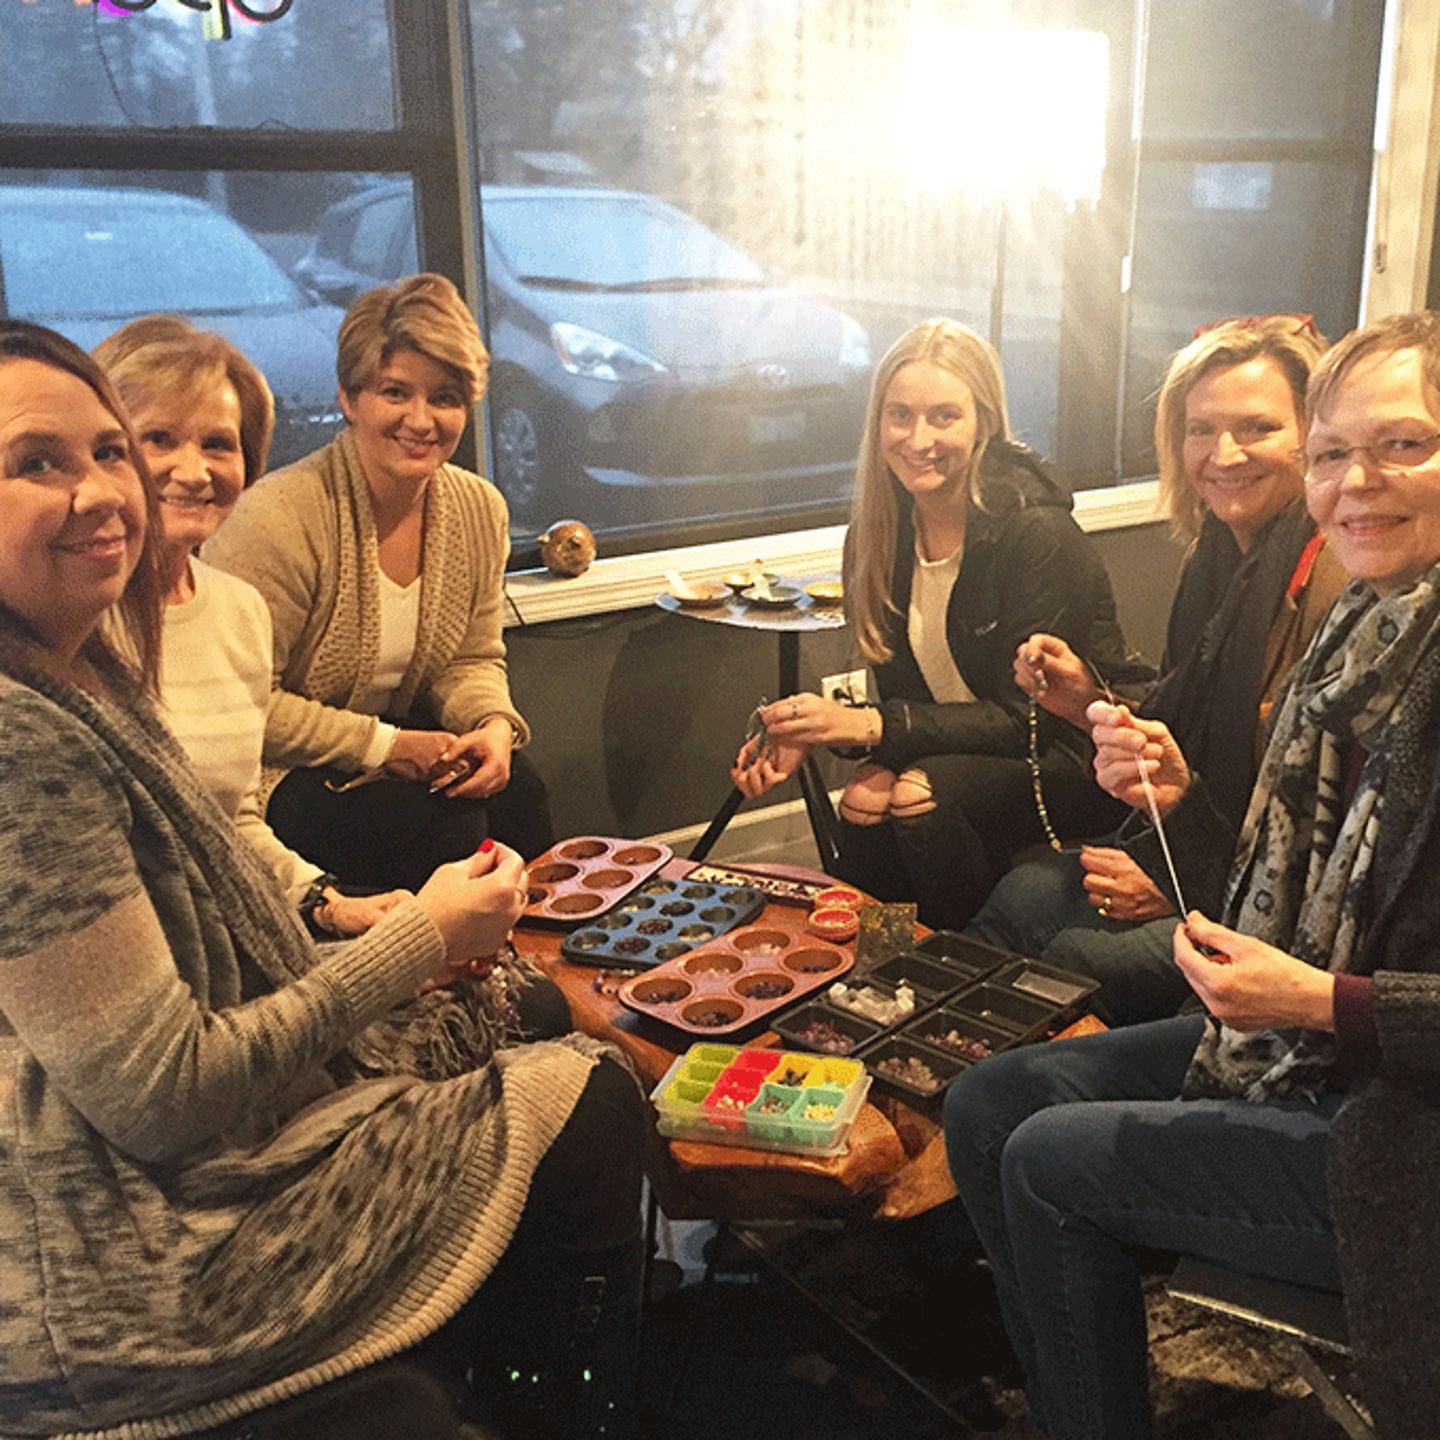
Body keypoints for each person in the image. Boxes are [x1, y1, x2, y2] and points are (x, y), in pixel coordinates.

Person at [0, 319, 642, 1438]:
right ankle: (552, 1400)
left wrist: (475, 734)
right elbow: (162, 1091)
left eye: (106, 451)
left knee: (523, 954)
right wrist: (410, 937)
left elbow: (232, 820)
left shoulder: (91, 656)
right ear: (347, 399)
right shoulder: (28, 736)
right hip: (130, 1240)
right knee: (591, 1095)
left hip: (220, 1015)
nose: (115, 489)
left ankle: (492, 1334)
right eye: (37, 462)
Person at [942, 310, 1440, 1440]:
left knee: (1053, 1162)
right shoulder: (1355, 641)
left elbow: (1333, 976)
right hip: (1315, 1059)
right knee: (992, 1100)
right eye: (1334, 454)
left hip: (1399, 1137)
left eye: (1403, 445)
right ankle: (1074, 1396)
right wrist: (1180, 807)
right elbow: (1273, 889)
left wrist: (1323, 1002)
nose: (1358, 481)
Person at [967, 315, 1347, 1024]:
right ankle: (917, 1066)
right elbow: (1179, 730)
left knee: (1071, 960)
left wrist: (1178, 879)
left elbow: (1299, 814)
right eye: (1201, 430)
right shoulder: (1216, 558)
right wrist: (1086, 700)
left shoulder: (1327, 574)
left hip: (1260, 901)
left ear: (1315, 436)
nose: (1223, 453)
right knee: (1020, 894)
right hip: (1189, 843)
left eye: (1257, 428)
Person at [731, 317, 1142, 930]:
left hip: (1065, 756)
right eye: (900, 415)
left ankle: (964, 969)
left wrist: (869, 724)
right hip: (961, 750)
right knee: (867, 797)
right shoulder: (877, 536)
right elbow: (907, 704)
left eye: (944, 416)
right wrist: (818, 732)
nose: (918, 438)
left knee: (916, 792)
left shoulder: (1035, 532)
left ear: (984, 422)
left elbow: (1021, 717)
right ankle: (871, 974)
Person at [204, 273, 554, 893]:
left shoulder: (480, 509)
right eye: (396, 392)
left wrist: (494, 727)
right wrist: (385, 746)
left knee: (521, 792)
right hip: (278, 776)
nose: (421, 420)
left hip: (403, 758)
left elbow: (472, 657)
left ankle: (534, 977)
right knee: (450, 831)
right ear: (349, 396)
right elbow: (247, 707)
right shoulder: (277, 518)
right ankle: (442, 982)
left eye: (444, 397)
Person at [92, 315, 410, 937]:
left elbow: (232, 820)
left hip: (237, 937)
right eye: (158, 438)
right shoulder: (63, 627)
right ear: (102, 454)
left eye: (217, 444)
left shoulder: (239, 610)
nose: (194, 470)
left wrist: (325, 902)